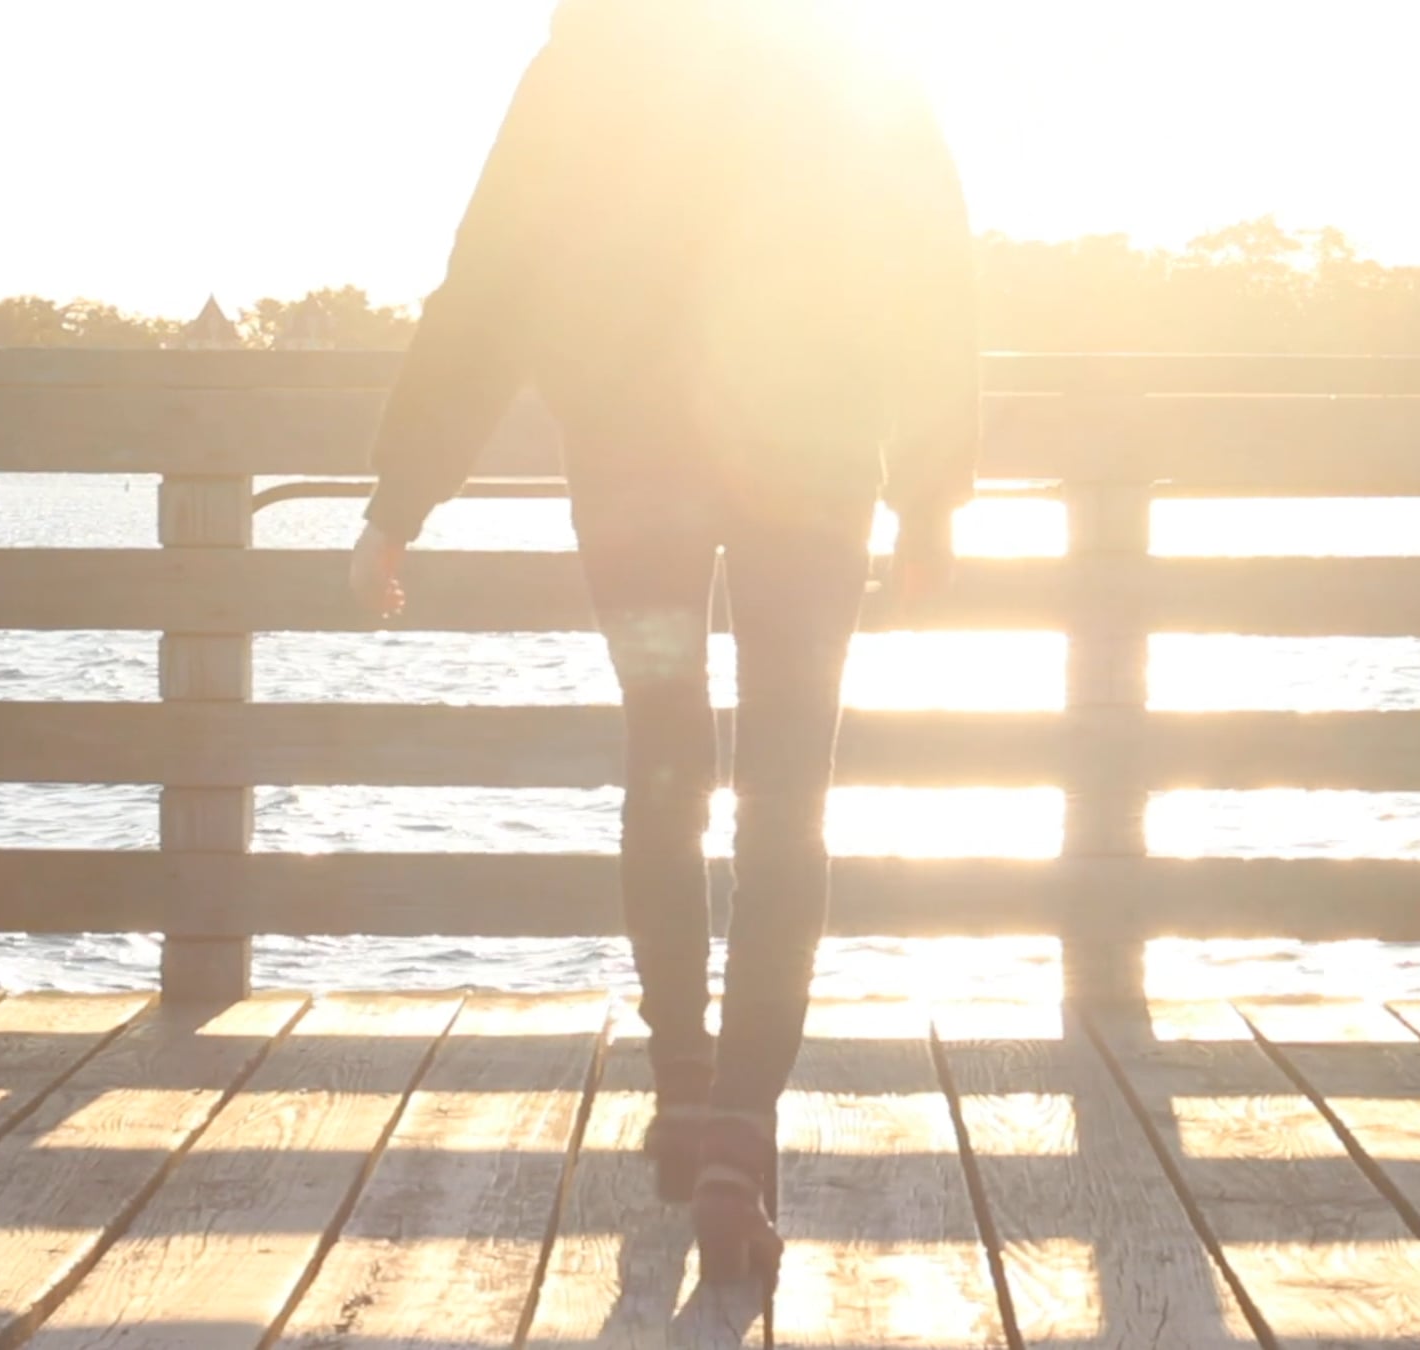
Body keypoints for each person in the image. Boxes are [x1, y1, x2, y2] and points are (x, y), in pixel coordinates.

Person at [348, 0, 978, 1285]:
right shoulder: (844, 50)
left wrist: (400, 498)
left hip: (636, 470)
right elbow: (931, 265)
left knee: (666, 763)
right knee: (789, 794)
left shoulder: (589, 58)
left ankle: (686, 1086)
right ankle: (738, 1133)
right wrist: (930, 493)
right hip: (809, 471)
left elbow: (491, 280)